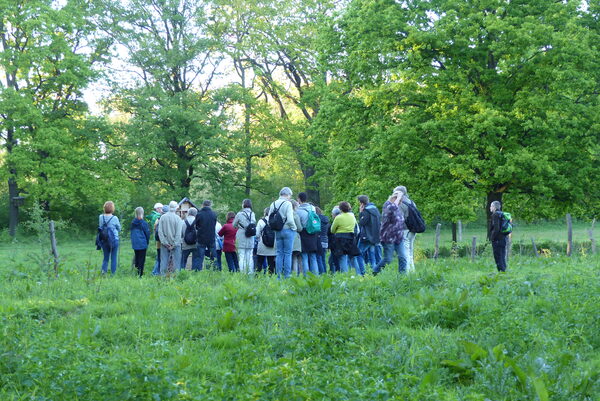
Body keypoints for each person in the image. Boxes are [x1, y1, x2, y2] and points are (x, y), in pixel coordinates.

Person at [373, 191, 406, 275]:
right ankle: (374, 272)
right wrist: (398, 197)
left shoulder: (396, 207)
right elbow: (393, 207)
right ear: (394, 198)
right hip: (388, 238)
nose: (400, 202)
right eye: (400, 200)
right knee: (388, 259)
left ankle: (403, 277)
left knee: (403, 257)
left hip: (399, 238)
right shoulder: (387, 206)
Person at [268, 187, 297, 279]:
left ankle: (279, 275)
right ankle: (287, 275)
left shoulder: (273, 204)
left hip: (277, 231)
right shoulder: (288, 203)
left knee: (279, 253)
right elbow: (290, 219)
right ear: (287, 194)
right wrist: (294, 228)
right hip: (288, 230)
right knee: (288, 253)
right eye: (290, 195)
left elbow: (269, 219)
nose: (290, 197)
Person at [330, 201, 358, 273]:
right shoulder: (352, 216)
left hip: (340, 239)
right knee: (352, 257)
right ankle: (358, 273)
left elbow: (332, 230)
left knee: (342, 258)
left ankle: (344, 274)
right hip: (351, 238)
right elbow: (355, 226)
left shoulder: (338, 217)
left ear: (340, 209)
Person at [296, 192, 320, 275]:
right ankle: (316, 275)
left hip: (303, 233)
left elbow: (298, 224)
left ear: (299, 199)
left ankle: (306, 276)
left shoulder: (298, 210)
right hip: (313, 233)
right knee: (313, 256)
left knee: (304, 256)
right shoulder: (312, 208)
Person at [395, 186, 417, 272]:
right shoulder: (412, 202)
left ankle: (407, 272)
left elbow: (400, 219)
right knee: (410, 251)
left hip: (404, 229)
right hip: (413, 229)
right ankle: (412, 270)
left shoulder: (401, 203)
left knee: (405, 251)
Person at [157, 201, 183, 275]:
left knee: (164, 262)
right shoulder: (178, 219)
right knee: (177, 263)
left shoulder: (162, 217)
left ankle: (162, 278)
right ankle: (176, 277)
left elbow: (160, 232)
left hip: (164, 244)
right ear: (176, 208)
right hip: (176, 244)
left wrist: (165, 242)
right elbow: (178, 234)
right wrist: (174, 245)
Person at [357, 195, 381, 271]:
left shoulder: (366, 211)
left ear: (361, 203)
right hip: (375, 236)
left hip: (367, 236)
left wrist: (360, 213)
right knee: (372, 255)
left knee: (358, 254)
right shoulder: (375, 209)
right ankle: (374, 271)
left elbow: (362, 223)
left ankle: (362, 272)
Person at [233, 199, 256, 274]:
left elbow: (234, 225)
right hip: (250, 236)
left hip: (241, 235)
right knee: (249, 256)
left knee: (241, 256)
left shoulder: (239, 214)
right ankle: (250, 273)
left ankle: (242, 273)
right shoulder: (252, 214)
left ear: (243, 205)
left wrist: (239, 226)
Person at [98, 201, 121, 275]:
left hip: (104, 240)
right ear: (112, 208)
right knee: (113, 258)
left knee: (105, 258)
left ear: (104, 208)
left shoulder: (101, 217)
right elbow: (119, 228)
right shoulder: (115, 218)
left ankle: (103, 273)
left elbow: (100, 226)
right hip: (114, 240)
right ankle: (113, 274)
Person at [195, 200, 218, 271]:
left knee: (199, 256)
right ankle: (215, 270)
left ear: (203, 205)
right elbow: (214, 224)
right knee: (213, 256)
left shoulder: (199, 214)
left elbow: (196, 226)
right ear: (210, 205)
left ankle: (198, 271)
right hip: (211, 238)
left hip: (201, 238)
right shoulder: (214, 214)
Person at [130, 206, 150, 277]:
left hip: (135, 244)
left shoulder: (133, 223)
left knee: (137, 258)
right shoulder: (144, 223)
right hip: (142, 244)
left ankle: (136, 271)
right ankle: (140, 274)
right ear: (142, 213)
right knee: (142, 259)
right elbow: (147, 234)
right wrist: (147, 242)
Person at [256, 207, 276, 274]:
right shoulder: (274, 221)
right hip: (272, 245)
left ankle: (257, 276)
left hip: (262, 244)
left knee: (259, 262)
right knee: (271, 263)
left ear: (265, 213)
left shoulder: (261, 221)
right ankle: (271, 276)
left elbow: (257, 234)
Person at [489, 200, 507, 272]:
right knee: (502, 256)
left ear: (494, 207)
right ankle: (504, 271)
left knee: (498, 257)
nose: (490, 208)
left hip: (497, 240)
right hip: (503, 238)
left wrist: (492, 238)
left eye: (491, 206)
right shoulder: (502, 214)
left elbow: (496, 229)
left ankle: (501, 272)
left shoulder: (495, 215)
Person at [315, 206, 329, 275]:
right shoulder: (326, 219)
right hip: (325, 240)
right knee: (323, 258)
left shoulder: (317, 219)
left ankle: (321, 273)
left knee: (318, 258)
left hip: (319, 240)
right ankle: (325, 273)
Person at [290, 200, 303, 275]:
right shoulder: (295, 215)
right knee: (295, 258)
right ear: (294, 206)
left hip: (285, 238)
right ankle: (295, 275)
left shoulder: (284, 214)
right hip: (295, 238)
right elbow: (300, 228)